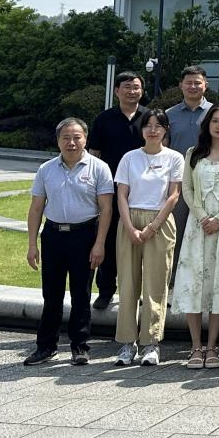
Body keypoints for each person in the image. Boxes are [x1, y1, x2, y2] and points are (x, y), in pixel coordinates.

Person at [22, 118, 115, 366]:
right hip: (53, 235)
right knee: (51, 294)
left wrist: (100, 243)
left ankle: (80, 346)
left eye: (76, 137)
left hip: (85, 235)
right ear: (58, 141)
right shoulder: (46, 169)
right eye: (66, 137)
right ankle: (46, 346)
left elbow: (106, 209)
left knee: (81, 294)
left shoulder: (99, 168)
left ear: (85, 139)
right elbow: (36, 208)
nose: (71, 142)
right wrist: (32, 244)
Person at [170, 102, 219, 370]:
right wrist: (202, 216)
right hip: (197, 227)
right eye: (215, 121)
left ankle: (212, 346)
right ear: (207, 124)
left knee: (217, 286)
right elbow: (187, 189)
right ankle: (195, 346)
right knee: (194, 284)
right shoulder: (193, 153)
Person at [113, 109, 184, 366]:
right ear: (141, 129)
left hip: (160, 221)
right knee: (128, 284)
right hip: (130, 220)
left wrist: (152, 227)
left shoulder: (174, 158)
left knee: (156, 284)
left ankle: (151, 343)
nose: (153, 130)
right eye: (148, 125)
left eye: (158, 125)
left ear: (166, 130)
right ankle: (126, 343)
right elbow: (122, 194)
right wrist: (130, 227)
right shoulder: (129, 158)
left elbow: (174, 196)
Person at [87, 70, 148, 310]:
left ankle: (138, 291)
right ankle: (105, 290)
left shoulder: (150, 118)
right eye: (127, 87)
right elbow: (94, 154)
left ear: (142, 91)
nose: (132, 91)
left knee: (141, 241)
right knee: (109, 239)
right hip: (110, 190)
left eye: (136, 87)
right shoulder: (104, 119)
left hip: (143, 191)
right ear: (116, 91)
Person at [166, 65, 212, 291]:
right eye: (189, 83)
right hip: (178, 184)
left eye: (198, 82)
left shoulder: (216, 113)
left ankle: (202, 284)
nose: (193, 86)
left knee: (205, 234)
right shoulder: (169, 115)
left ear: (206, 85)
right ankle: (172, 282)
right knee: (175, 233)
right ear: (180, 85)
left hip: (210, 184)